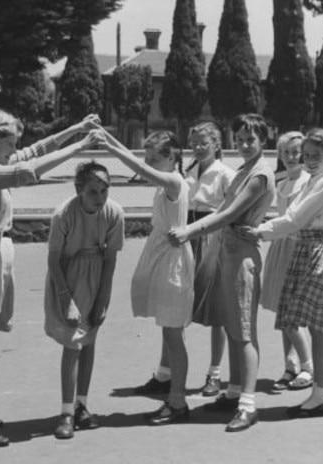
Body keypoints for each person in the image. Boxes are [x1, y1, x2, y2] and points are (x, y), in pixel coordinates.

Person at [0, 108, 101, 447]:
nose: (14, 149)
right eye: (9, 143)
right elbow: (29, 171)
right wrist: (80, 147)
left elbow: (36, 151)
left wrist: (77, 128)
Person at [168, 114, 275, 433]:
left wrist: (190, 230)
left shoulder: (260, 174)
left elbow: (229, 213)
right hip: (227, 251)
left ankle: (248, 405)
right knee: (231, 325)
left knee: (244, 332)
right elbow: (221, 211)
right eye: (239, 139)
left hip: (242, 256)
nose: (243, 145)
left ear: (263, 141)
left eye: (250, 140)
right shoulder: (243, 170)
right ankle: (233, 392)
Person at [96, 128, 194, 425]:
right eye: (148, 157)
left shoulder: (175, 180)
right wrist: (106, 137)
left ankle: (178, 401)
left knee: (174, 333)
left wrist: (110, 148)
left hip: (172, 261)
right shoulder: (168, 180)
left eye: (154, 158)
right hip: (163, 255)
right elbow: (137, 161)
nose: (148, 163)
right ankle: (171, 393)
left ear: (171, 157)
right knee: (168, 330)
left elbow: (135, 167)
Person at [247, 127, 323, 418]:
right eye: (308, 155)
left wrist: (259, 232)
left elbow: (295, 218)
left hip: (319, 250)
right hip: (306, 249)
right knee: (314, 327)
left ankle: (321, 395)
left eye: (317, 155)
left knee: (321, 328)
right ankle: (318, 391)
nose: (311, 159)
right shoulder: (314, 179)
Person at [133, 122, 234, 398]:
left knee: (215, 310)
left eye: (205, 142)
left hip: (210, 236)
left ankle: (214, 373)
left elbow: (229, 210)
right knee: (174, 309)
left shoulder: (226, 174)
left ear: (217, 144)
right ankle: (165, 372)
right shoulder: (186, 172)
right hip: (183, 236)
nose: (199, 148)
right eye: (195, 143)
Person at [44, 161, 124, 439]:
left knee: (88, 340)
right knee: (73, 342)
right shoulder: (64, 214)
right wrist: (67, 299)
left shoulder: (114, 213)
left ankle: (82, 405)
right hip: (68, 276)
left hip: (97, 275)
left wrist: (103, 298)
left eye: (104, 190)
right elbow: (53, 260)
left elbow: (111, 260)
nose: (99, 197)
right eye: (93, 191)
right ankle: (66, 411)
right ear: (79, 189)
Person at [258, 132, 314, 392]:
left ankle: (307, 366)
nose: (292, 157)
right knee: (283, 311)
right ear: (279, 155)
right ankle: (290, 365)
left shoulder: (307, 182)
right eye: (286, 153)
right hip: (280, 247)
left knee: (292, 312)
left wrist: (265, 230)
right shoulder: (281, 183)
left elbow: (295, 219)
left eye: (296, 152)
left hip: (297, 247)